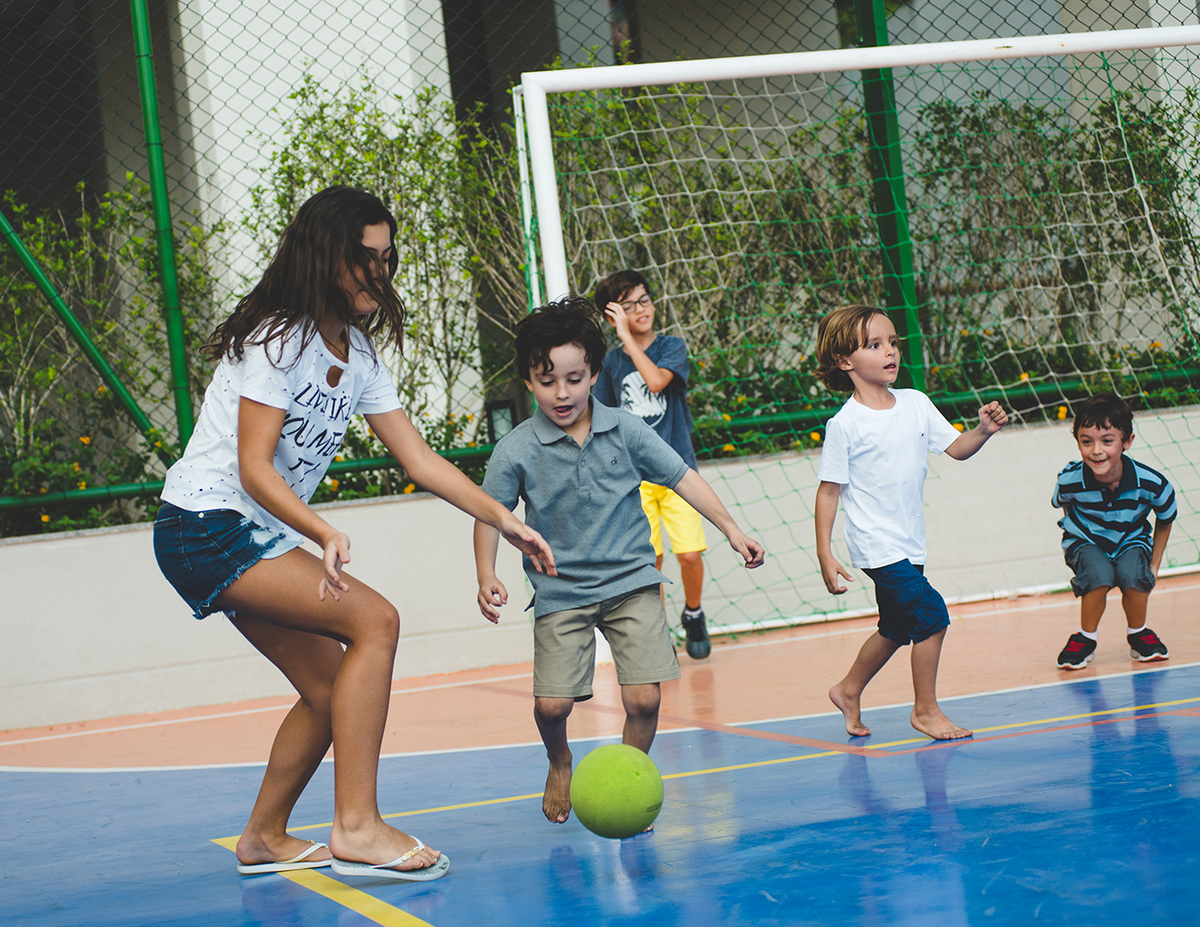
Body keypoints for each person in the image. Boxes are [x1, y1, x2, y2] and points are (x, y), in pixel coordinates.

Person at [153, 186, 554, 881]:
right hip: (205, 525)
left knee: (332, 687)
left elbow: (421, 459)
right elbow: (253, 467)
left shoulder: (358, 354)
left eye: (386, 257)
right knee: (377, 621)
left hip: (242, 532)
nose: (379, 271)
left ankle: (263, 835)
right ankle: (357, 826)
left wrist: (505, 520)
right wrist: (321, 529)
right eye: (363, 257)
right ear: (324, 257)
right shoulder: (277, 336)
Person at [473, 296, 765, 824]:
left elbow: (682, 477)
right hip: (561, 590)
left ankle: (626, 781)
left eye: (574, 378)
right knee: (551, 707)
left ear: (594, 373)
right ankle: (559, 760)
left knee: (645, 703)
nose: (561, 393)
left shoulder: (626, 430)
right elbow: (490, 513)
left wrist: (731, 528)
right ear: (528, 381)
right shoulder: (515, 449)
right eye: (546, 381)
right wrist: (486, 573)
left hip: (632, 582)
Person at [813, 305, 1008, 741]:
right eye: (874, 345)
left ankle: (848, 690)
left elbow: (956, 448)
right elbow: (828, 490)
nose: (890, 352)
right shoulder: (844, 425)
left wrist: (983, 431)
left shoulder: (916, 404)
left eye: (893, 342)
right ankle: (926, 711)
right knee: (932, 617)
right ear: (846, 362)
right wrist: (825, 552)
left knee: (896, 628)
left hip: (909, 543)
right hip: (875, 546)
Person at [592, 271, 711, 659]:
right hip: (635, 478)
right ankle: (660, 630)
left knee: (690, 554)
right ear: (613, 316)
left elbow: (657, 382)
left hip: (678, 471)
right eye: (629, 306)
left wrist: (628, 337)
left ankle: (693, 613)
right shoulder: (611, 364)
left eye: (644, 300)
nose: (641, 309)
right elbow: (605, 416)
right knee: (651, 561)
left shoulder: (671, 346)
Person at [1051, 393, 1175, 669]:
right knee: (1099, 574)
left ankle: (1138, 633)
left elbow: (1165, 518)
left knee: (1135, 574)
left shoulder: (1152, 483)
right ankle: (1085, 638)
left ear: (1127, 441)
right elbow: (1064, 505)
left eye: (1107, 441)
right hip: (1086, 539)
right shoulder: (1069, 480)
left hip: (1131, 539)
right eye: (1086, 441)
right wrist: (1079, 536)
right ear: (1078, 442)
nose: (1096, 450)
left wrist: (1154, 565)